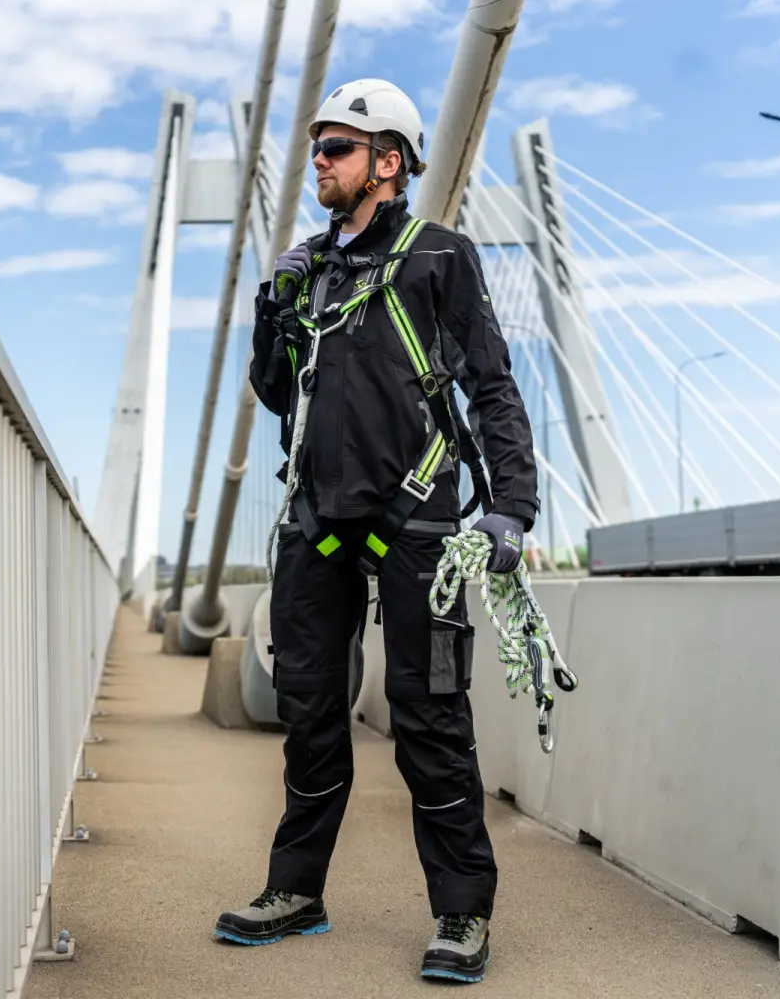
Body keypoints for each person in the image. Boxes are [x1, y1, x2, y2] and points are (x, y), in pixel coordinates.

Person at [213, 78, 539, 984]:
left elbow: (492, 386)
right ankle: (296, 891)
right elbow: (275, 391)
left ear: (387, 162)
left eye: (337, 149)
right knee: (310, 712)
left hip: (416, 519)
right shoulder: (310, 268)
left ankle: (463, 913)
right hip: (316, 520)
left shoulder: (439, 258)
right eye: (317, 148)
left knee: (430, 718)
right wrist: (272, 309)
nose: (317, 162)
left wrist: (511, 507)